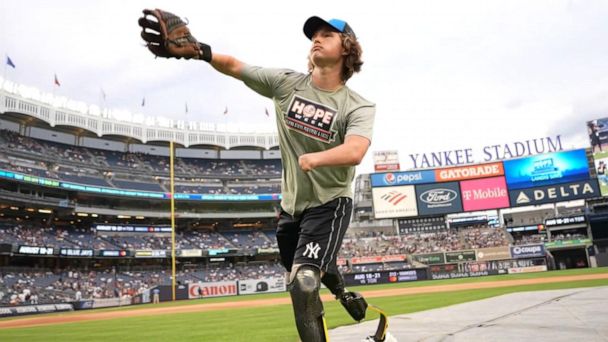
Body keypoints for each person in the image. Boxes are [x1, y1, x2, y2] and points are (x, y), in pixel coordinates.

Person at [139, 12, 384, 342]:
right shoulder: (287, 83)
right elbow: (236, 66)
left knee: (304, 282)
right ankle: (345, 296)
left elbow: (355, 150)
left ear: (347, 48)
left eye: (328, 34)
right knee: (303, 269)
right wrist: (199, 50)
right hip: (291, 208)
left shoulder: (357, 106)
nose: (317, 38)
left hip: (331, 203)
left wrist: (316, 158)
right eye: (314, 34)